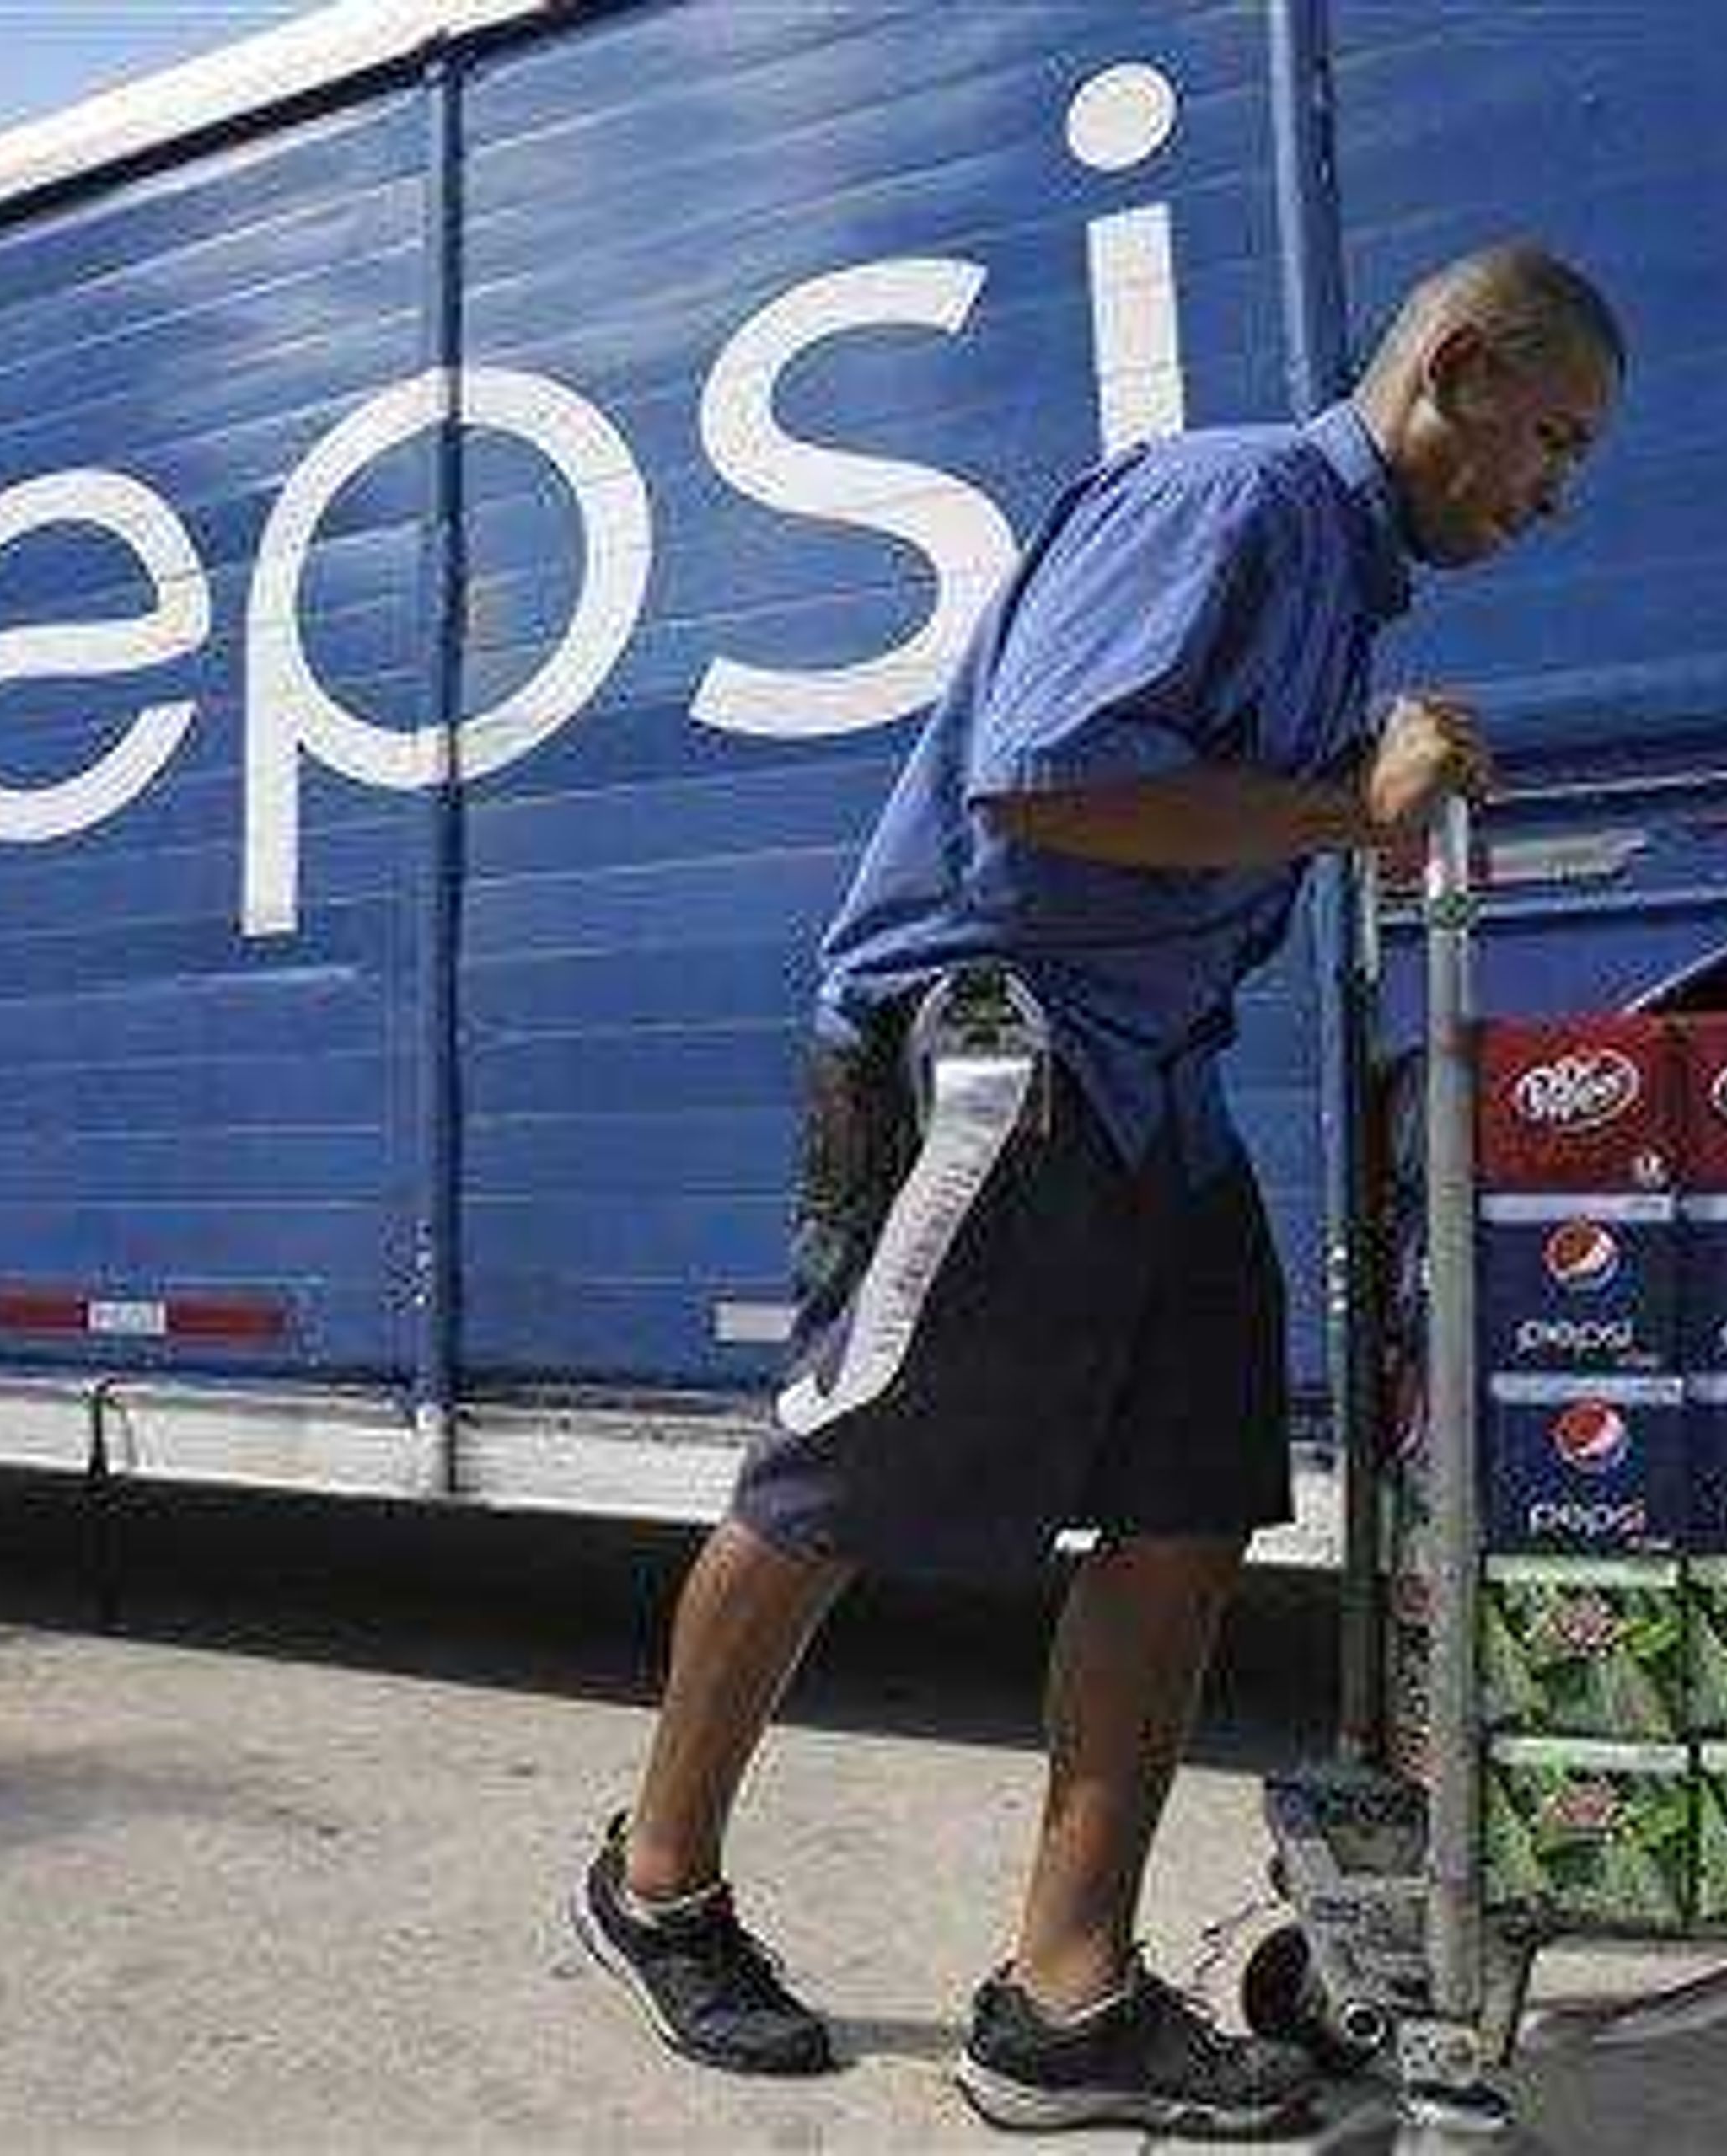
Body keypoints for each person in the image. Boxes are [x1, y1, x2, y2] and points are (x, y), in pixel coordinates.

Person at [569, 242, 1624, 2138]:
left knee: (1187, 1510)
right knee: (835, 1480)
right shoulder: (1232, 499)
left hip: (1155, 1083)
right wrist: (1345, 807)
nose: (1553, 495)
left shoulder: (1343, 579)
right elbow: (1048, 781)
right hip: (999, 1049)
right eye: (1548, 441)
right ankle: (655, 1885)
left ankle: (1065, 1998)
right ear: (1454, 367)